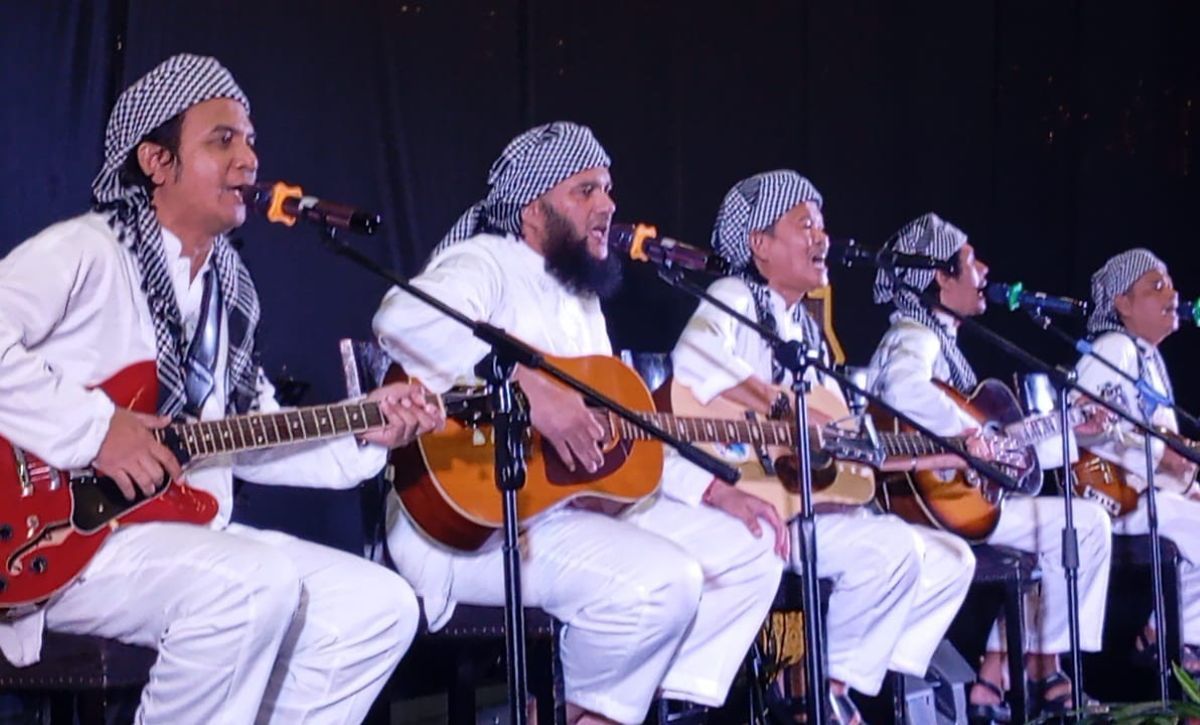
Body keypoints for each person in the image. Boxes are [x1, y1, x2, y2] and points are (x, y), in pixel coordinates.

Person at [0, 53, 441, 723]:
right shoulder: (87, 251)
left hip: (178, 530)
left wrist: (362, 425)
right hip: (59, 541)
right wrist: (95, 429)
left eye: (251, 141)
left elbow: (250, 432)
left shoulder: (228, 293)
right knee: (250, 582)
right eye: (222, 139)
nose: (249, 161)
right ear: (155, 160)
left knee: (377, 606)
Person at [373, 121, 785, 724]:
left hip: (561, 513)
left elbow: (619, 439)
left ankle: (617, 710)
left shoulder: (580, 296)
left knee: (752, 549)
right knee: (661, 579)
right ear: (533, 209)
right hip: (470, 525)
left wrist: (713, 489)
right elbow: (400, 319)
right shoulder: (482, 260)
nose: (608, 205)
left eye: (609, 189)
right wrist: (524, 383)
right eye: (585, 190)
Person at [670, 170, 976, 722]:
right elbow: (695, 360)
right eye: (804, 225)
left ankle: (827, 681)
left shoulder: (805, 331)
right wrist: (784, 407)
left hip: (807, 505)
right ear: (758, 245)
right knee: (891, 550)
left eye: (822, 226)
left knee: (949, 559)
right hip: (746, 498)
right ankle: (819, 694)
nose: (822, 238)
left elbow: (853, 442)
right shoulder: (734, 297)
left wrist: (947, 453)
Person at [866, 212, 1113, 719]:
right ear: (940, 275)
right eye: (971, 260)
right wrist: (975, 434)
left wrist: (1070, 429)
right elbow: (902, 391)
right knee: (1082, 527)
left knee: (1078, 525)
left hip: (962, 504)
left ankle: (997, 676)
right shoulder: (914, 333)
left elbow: (1005, 446)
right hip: (919, 507)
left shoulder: (948, 346)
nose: (985, 269)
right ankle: (1041, 670)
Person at [1074, 248, 1200, 674]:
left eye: (1170, 284)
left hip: (1151, 494)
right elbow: (1082, 425)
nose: (1173, 294)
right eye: (1155, 286)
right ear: (1122, 304)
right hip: (1114, 497)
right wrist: (1166, 461)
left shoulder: (1148, 357)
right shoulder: (1113, 349)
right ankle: (1176, 642)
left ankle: (1171, 635)